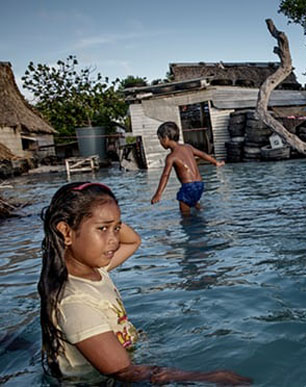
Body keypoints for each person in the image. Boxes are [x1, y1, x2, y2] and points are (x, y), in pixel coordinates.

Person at [39, 182, 251, 384]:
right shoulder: (75, 303)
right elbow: (123, 371)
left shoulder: (96, 270)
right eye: (102, 229)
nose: (114, 239)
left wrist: (108, 218)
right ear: (66, 232)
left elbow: (133, 241)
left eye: (117, 228)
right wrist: (207, 377)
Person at [151, 121, 224, 215]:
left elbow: (165, 175)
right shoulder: (188, 147)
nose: (160, 142)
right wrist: (216, 162)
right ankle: (201, 210)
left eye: (159, 139)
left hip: (188, 187)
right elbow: (203, 154)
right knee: (193, 202)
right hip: (200, 185)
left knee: (185, 216)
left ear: (165, 138)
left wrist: (158, 194)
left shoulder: (171, 157)